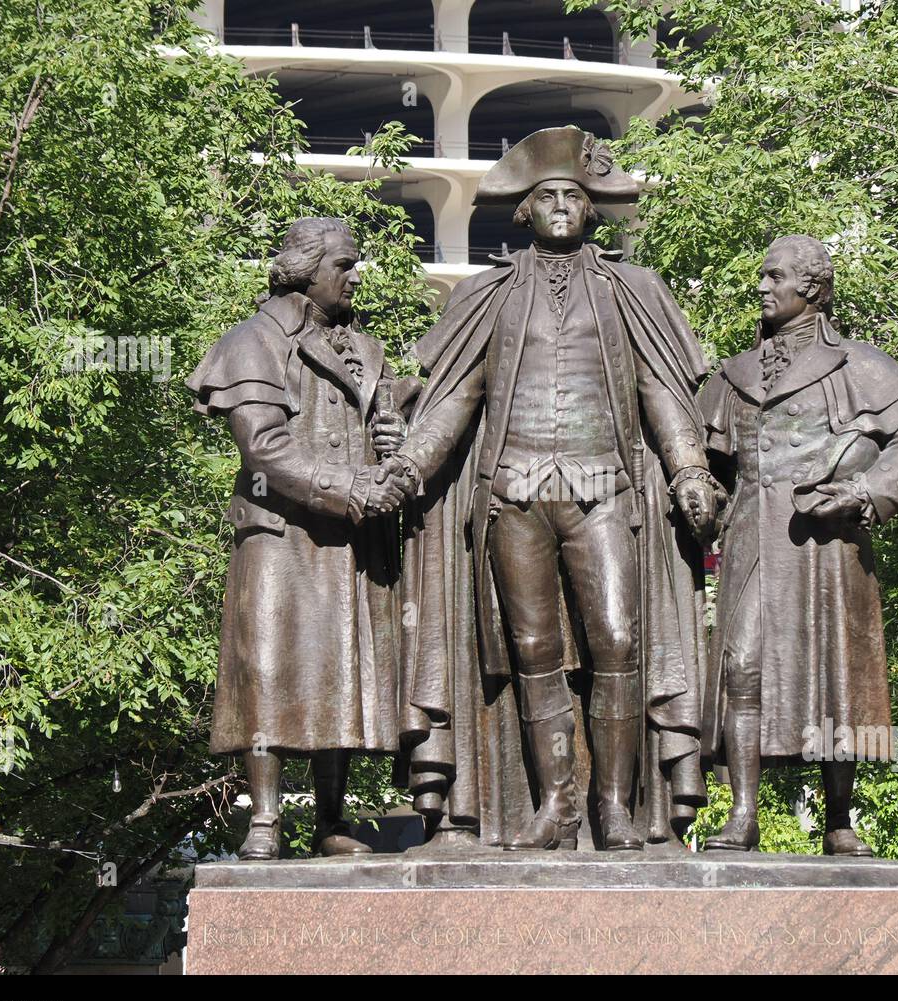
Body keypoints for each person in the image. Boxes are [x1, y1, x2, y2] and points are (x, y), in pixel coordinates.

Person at [384, 128, 720, 850]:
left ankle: (614, 804)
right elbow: (455, 401)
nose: (563, 206)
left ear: (592, 210)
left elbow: (662, 391)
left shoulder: (632, 290)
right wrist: (409, 467)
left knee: (618, 642)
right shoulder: (489, 296)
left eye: (574, 196)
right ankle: (557, 801)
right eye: (548, 197)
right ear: (524, 212)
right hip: (514, 493)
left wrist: (689, 468)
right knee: (532, 649)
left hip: (603, 488)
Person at [699, 234, 898, 855]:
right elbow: (704, 463)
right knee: (740, 665)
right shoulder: (732, 375)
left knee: (835, 673)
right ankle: (742, 814)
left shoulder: (861, 366)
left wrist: (862, 492)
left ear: (811, 286)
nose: (761, 288)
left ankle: (838, 817)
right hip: (751, 538)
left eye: (774, 277)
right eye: (762, 277)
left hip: (827, 542)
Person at [185, 217, 411, 859]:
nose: (355, 274)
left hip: (347, 538)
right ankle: (264, 820)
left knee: (338, 666)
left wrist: (386, 443)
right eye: (345, 264)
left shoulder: (364, 349)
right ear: (306, 269)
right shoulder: (253, 341)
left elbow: (379, 418)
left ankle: (331, 819)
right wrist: (352, 487)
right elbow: (264, 449)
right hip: (282, 535)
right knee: (273, 669)